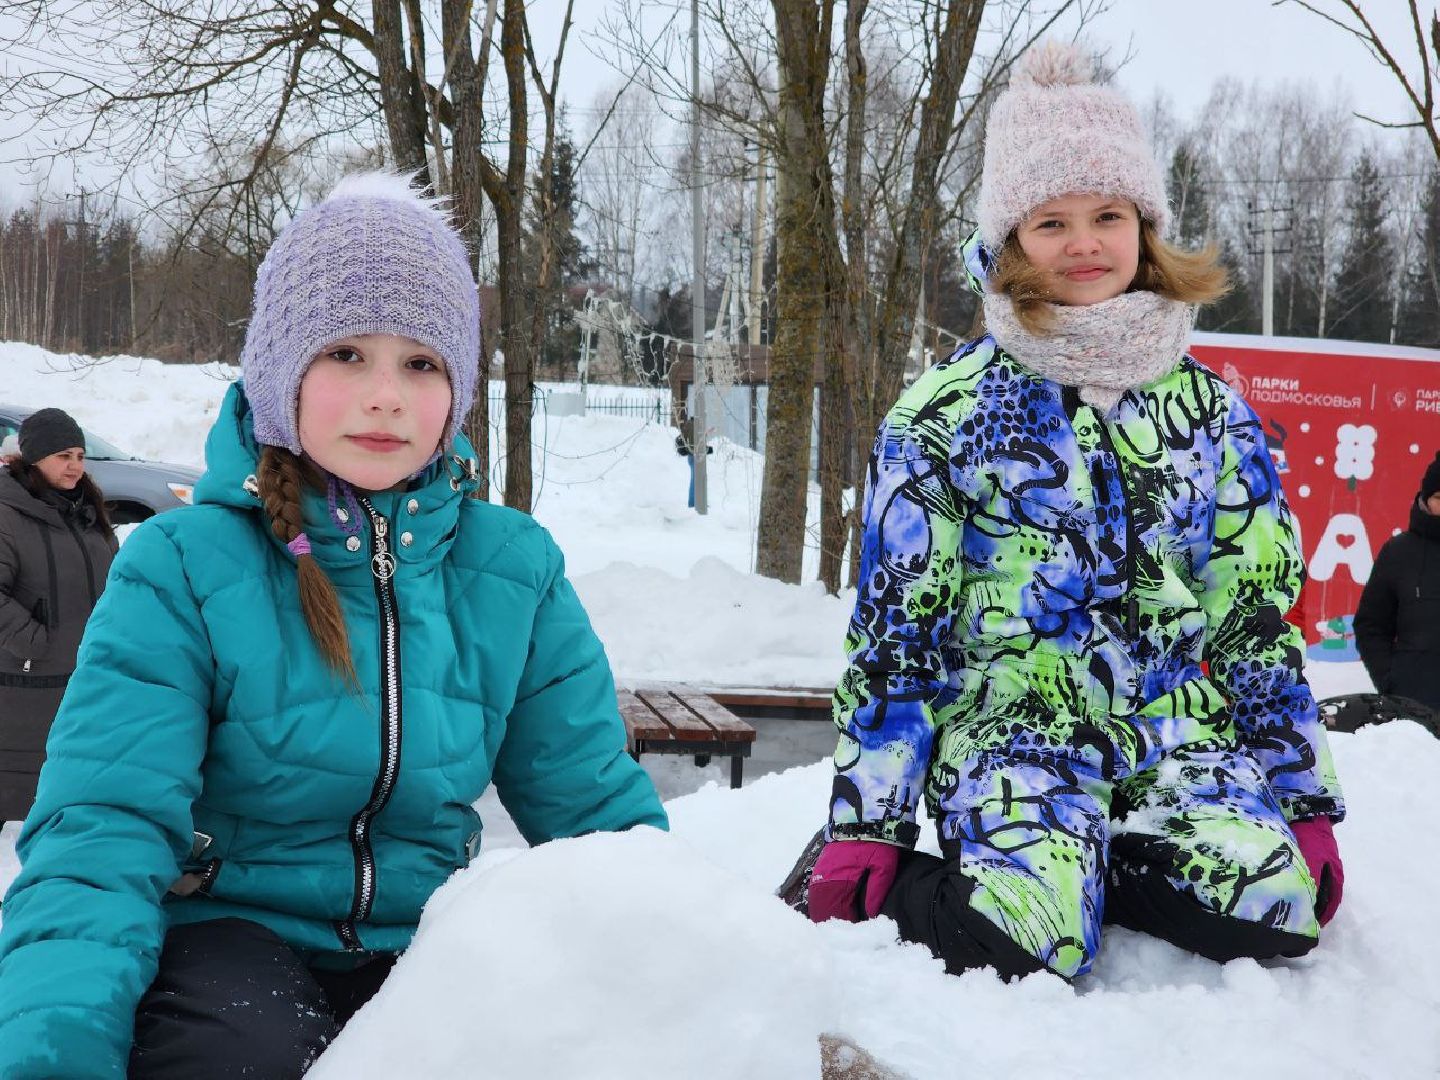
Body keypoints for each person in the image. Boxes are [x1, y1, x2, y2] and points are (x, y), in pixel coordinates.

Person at [0, 173, 667, 1078]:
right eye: (347, 353)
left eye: (421, 362)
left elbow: (596, 817)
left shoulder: (514, 569)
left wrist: (692, 972)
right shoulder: (185, 566)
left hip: (432, 934)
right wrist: (55, 1051)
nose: (386, 395)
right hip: (228, 937)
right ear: (282, 373)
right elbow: (101, 829)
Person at [779, 43, 1344, 982]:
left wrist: (1302, 797)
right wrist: (867, 822)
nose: (1085, 242)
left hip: (1170, 731)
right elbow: (897, 635)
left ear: (1145, 227)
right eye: (1052, 221)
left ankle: (1101, 860)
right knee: (1028, 934)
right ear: (1010, 241)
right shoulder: (944, 418)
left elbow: (1251, 619)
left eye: (1108, 215)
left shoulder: (1213, 412)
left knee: (1276, 909)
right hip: (1015, 728)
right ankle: (1037, 879)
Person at [0, 408, 118, 827]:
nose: (75, 467)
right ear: (34, 459)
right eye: (63, 456)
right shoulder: (7, 513)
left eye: (80, 456)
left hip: (85, 673)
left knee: (70, 785)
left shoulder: (86, 512)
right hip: (26, 678)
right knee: (19, 787)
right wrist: (33, 638)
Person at [1353, 450, 1440, 712]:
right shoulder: (1399, 552)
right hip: (1414, 714)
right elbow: (1371, 625)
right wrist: (1392, 681)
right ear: (1425, 500)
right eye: (1439, 497)